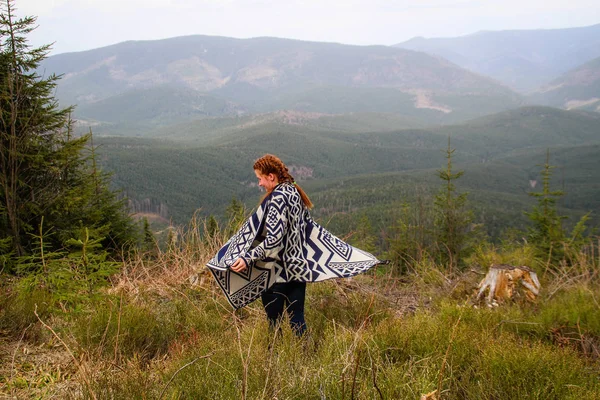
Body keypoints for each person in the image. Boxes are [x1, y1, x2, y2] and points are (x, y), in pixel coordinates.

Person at [207, 154, 382, 336]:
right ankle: (304, 359)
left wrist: (247, 258)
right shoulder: (294, 192)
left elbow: (274, 239)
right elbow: (308, 229)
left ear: (271, 176)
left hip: (277, 274)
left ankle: (274, 361)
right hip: (297, 272)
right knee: (298, 320)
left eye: (260, 178)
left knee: (274, 325)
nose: (259, 183)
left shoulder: (277, 199)